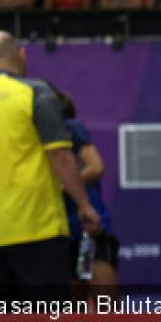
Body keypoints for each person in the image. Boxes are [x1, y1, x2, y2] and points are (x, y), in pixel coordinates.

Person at [0, 32, 101, 302]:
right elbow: (60, 154)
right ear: (22, 55)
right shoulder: (36, 92)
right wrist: (84, 204)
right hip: (36, 231)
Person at [54, 90, 120, 305]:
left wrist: (64, 186)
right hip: (59, 235)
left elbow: (96, 167)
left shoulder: (69, 128)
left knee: (104, 304)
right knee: (72, 308)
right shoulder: (30, 140)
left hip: (89, 232)